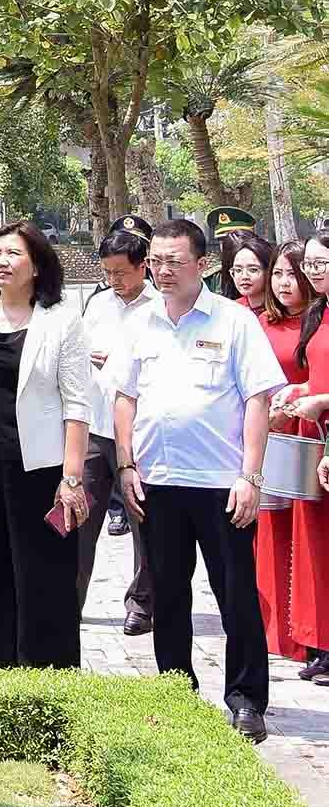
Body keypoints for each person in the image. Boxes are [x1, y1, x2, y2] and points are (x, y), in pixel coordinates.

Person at [112, 217, 287, 741]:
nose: (162, 271)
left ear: (203, 265)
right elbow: (124, 396)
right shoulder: (139, 324)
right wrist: (125, 464)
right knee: (167, 594)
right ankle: (175, 691)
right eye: (155, 261)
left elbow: (258, 399)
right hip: (156, 482)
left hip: (219, 483)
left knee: (234, 594)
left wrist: (250, 476)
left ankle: (246, 698)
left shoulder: (232, 321)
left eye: (174, 261)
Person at [0, 222, 91, 668]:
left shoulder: (62, 320)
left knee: (44, 580)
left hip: (41, 469)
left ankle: (50, 675)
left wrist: (72, 477)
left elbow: (77, 405)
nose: (1, 262)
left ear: (37, 265)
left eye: (13, 254)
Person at [77, 219, 156, 635]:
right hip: (94, 427)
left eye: (121, 273)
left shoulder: (160, 310)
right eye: (107, 273)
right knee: (79, 517)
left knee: (144, 523)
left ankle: (142, 603)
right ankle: (68, 600)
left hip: (141, 436)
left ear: (144, 266)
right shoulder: (98, 304)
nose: (114, 281)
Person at [275, 229, 329, 684]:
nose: (314, 271)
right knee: (314, 544)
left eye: (322, 263)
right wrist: (301, 391)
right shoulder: (319, 313)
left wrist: (323, 400)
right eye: (310, 263)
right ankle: (321, 642)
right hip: (316, 439)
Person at [254, 243, 310, 666]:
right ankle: (273, 631)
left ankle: (307, 632)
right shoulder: (257, 324)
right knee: (269, 534)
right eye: (278, 274)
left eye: (292, 274)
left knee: (305, 537)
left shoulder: (316, 324)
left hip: (305, 436)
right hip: (268, 435)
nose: (284, 283)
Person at [204, 203, 260, 298]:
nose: (227, 246)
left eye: (233, 240)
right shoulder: (213, 279)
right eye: (223, 241)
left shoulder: (267, 270)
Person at [228, 233, 276, 315]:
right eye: (238, 270)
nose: (244, 277)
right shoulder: (230, 310)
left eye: (253, 270)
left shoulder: (284, 310)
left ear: (269, 271)